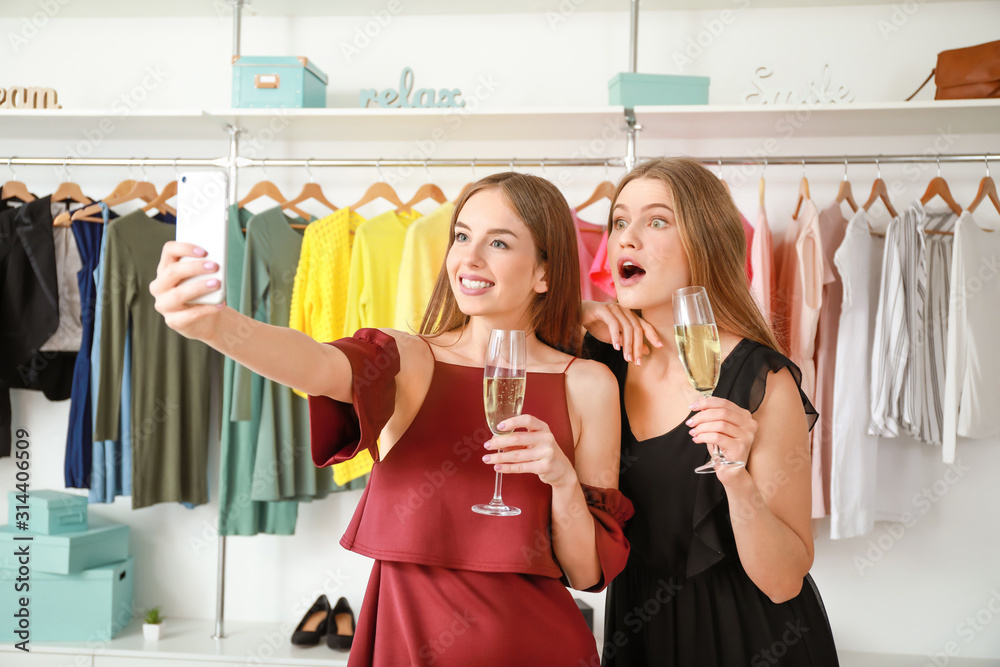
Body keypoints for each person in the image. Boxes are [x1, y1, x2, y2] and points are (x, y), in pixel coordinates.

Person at [150, 172, 633, 667]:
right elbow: (315, 362)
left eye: (500, 243)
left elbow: (586, 571)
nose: (469, 257)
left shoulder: (588, 384)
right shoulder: (409, 359)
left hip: (538, 649)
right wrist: (218, 324)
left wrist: (561, 481)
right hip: (406, 648)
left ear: (544, 273)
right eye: (462, 236)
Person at [581, 157, 839, 666]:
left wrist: (737, 478)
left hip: (748, 636)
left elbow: (785, 579)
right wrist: (582, 310)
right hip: (640, 631)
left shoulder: (763, 380)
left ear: (705, 244)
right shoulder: (597, 363)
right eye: (618, 221)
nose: (626, 239)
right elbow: (503, 330)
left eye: (656, 221)